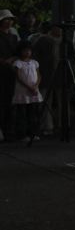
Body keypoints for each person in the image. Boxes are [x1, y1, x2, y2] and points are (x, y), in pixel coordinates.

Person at [12, 41, 42, 142]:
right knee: (22, 114)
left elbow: (39, 75)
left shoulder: (34, 62)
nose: (27, 52)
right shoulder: (18, 63)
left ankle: (33, 133)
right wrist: (28, 87)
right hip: (23, 91)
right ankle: (22, 134)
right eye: (25, 51)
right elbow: (19, 77)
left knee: (33, 113)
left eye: (29, 51)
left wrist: (36, 85)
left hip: (34, 90)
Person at [0, 9, 19, 140]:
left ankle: (8, 130)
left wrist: (11, 60)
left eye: (10, 19)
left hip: (11, 70)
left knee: (9, 99)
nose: (9, 22)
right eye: (6, 19)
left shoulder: (13, 37)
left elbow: (18, 52)